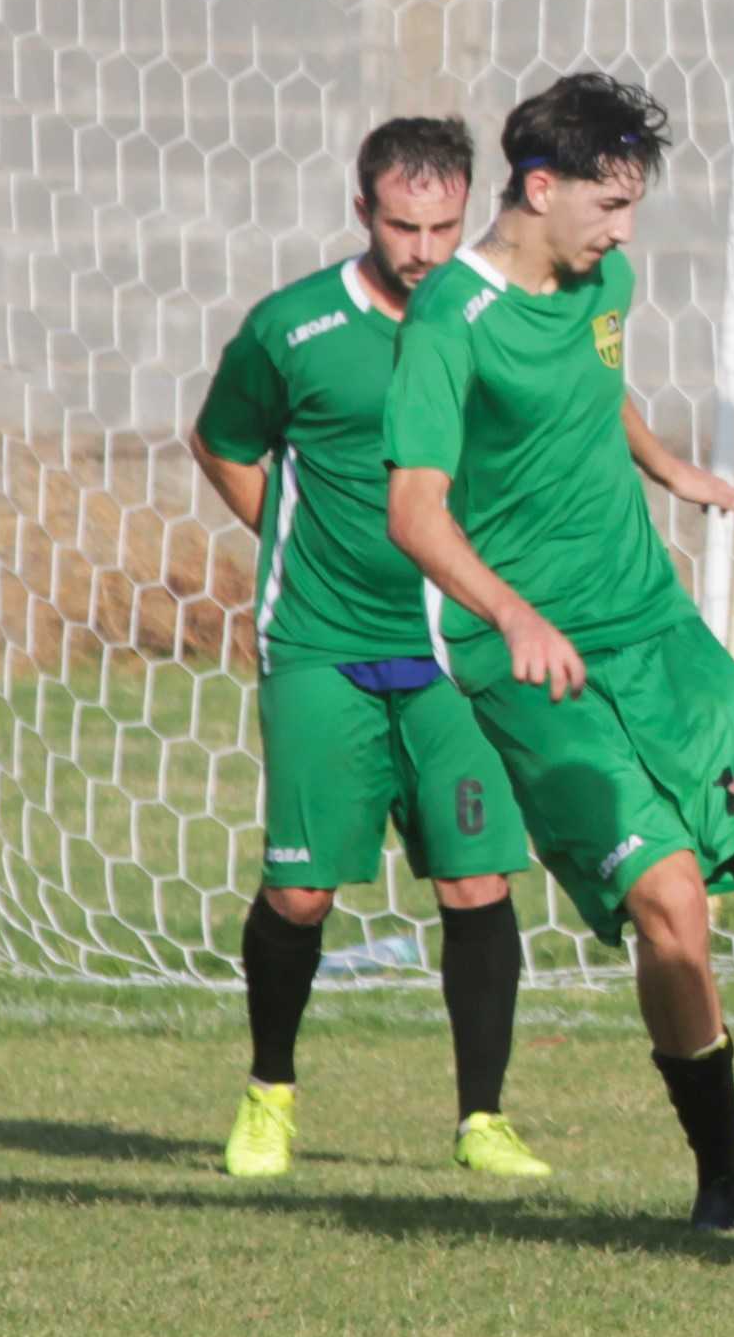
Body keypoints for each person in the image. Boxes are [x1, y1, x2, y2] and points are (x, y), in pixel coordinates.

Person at [378, 72, 734, 1235]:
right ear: (539, 189)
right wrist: (514, 615)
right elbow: (415, 513)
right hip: (532, 663)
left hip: (657, 631)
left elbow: (599, 386)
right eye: (607, 204)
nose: (625, 230)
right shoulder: (453, 319)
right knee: (672, 899)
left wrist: (666, 466)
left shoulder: (607, 278)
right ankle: (726, 1170)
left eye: (633, 205)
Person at [190, 116, 545, 1182]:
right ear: (362, 213)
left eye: (444, 225)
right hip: (321, 644)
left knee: (478, 883)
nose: (424, 249)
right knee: (301, 892)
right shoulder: (291, 328)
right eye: (402, 224)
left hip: (456, 653)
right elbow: (222, 440)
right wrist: (289, 549)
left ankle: (483, 1119)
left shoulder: (497, 322)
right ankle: (269, 1096)